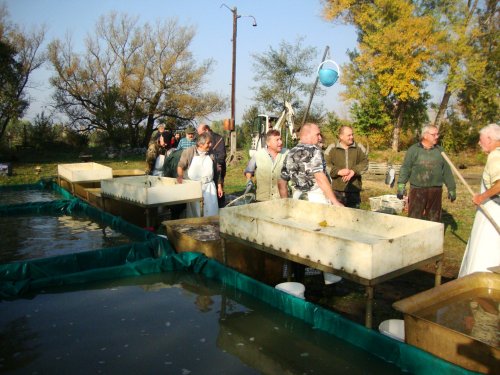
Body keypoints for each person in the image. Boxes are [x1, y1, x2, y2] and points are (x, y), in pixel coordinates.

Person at [278, 123, 343, 287]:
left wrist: (285, 203)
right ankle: (328, 280)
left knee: (299, 238)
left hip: (298, 200)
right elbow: (320, 177)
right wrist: (335, 202)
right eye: (318, 134)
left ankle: (299, 280)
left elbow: (281, 181)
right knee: (324, 236)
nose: (320, 137)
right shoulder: (315, 151)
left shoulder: (289, 153)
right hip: (316, 201)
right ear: (306, 134)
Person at [458, 123, 500, 277]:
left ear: (489, 139)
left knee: (484, 246)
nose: (479, 143)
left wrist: (481, 196)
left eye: (481, 139)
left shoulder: (495, 156)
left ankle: (478, 282)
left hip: (493, 210)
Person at [397, 124, 456, 222]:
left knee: (434, 219)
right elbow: (406, 168)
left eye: (437, 134)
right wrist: (401, 185)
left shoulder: (440, 151)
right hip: (417, 190)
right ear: (425, 135)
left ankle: (432, 237)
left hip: (435, 190)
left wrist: (452, 188)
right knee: (414, 218)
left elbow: (447, 171)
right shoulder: (414, 150)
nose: (437, 136)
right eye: (434, 134)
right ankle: (413, 236)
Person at [177, 132, 223, 217]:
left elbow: (217, 171)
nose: (210, 145)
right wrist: (180, 177)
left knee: (211, 213)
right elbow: (180, 165)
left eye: (211, 142)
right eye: (208, 143)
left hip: (209, 187)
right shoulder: (189, 152)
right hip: (194, 188)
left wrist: (219, 186)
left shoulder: (211, 153)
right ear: (200, 144)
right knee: (196, 213)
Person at [325, 126, 368, 208]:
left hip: (354, 190)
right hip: (337, 190)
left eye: (352, 134)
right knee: (337, 216)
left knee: (354, 217)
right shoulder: (332, 148)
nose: (352, 137)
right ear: (341, 136)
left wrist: (353, 171)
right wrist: (338, 171)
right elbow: (325, 164)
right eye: (349, 135)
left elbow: (365, 163)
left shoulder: (359, 147)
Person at [244, 129, 288, 201]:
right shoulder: (258, 155)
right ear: (268, 143)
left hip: (281, 200)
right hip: (262, 200)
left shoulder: (287, 154)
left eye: (280, 139)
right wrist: (249, 180)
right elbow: (249, 170)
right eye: (277, 140)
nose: (281, 142)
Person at [197, 123, 226, 207]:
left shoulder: (219, 138)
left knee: (218, 192)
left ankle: (220, 210)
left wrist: (212, 161)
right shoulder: (201, 139)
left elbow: (222, 155)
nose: (200, 136)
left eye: (201, 133)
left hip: (217, 169)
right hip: (204, 171)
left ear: (206, 130)